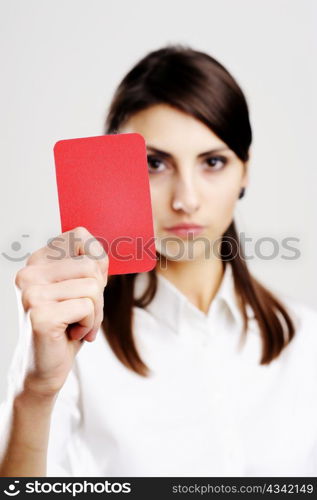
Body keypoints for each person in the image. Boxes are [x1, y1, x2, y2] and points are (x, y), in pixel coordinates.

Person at [1, 44, 317, 477]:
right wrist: (35, 390)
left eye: (213, 161)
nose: (186, 199)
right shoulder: (74, 350)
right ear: (114, 169)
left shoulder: (307, 340)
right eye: (155, 163)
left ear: (244, 171)